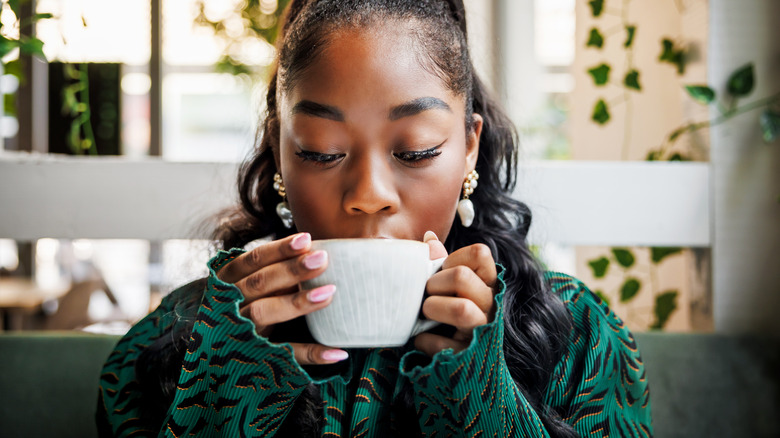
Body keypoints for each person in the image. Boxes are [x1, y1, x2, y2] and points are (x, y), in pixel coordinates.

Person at [97, 0, 652, 436]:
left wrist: (477, 392)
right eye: (321, 150)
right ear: (280, 153)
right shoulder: (179, 341)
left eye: (414, 152)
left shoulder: (575, 335)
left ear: (469, 148)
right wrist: (224, 388)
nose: (368, 195)